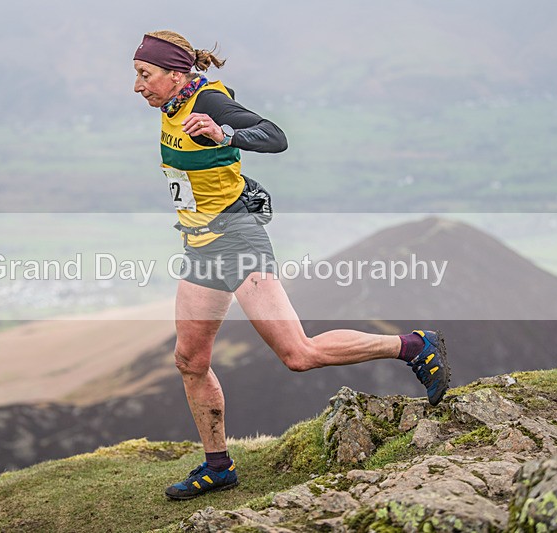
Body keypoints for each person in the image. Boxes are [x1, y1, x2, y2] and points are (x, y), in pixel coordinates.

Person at [133, 30, 450, 501]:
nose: (137, 86)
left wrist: (227, 134)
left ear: (175, 73)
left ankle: (412, 345)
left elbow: (274, 137)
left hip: (238, 240)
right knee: (189, 360)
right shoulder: (173, 106)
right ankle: (218, 466)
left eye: (145, 75)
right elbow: (212, 170)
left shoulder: (212, 101)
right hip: (200, 246)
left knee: (298, 354)